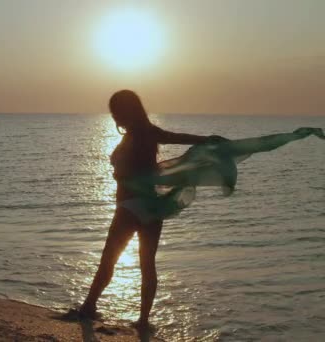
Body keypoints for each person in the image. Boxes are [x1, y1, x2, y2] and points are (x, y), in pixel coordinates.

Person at [78, 89, 226, 329]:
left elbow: (127, 171)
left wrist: (120, 173)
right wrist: (206, 140)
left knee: (109, 260)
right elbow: (177, 136)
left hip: (128, 207)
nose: (115, 118)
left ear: (125, 112)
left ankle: (88, 307)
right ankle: (144, 321)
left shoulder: (135, 136)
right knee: (147, 264)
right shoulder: (149, 132)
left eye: (116, 112)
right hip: (152, 208)